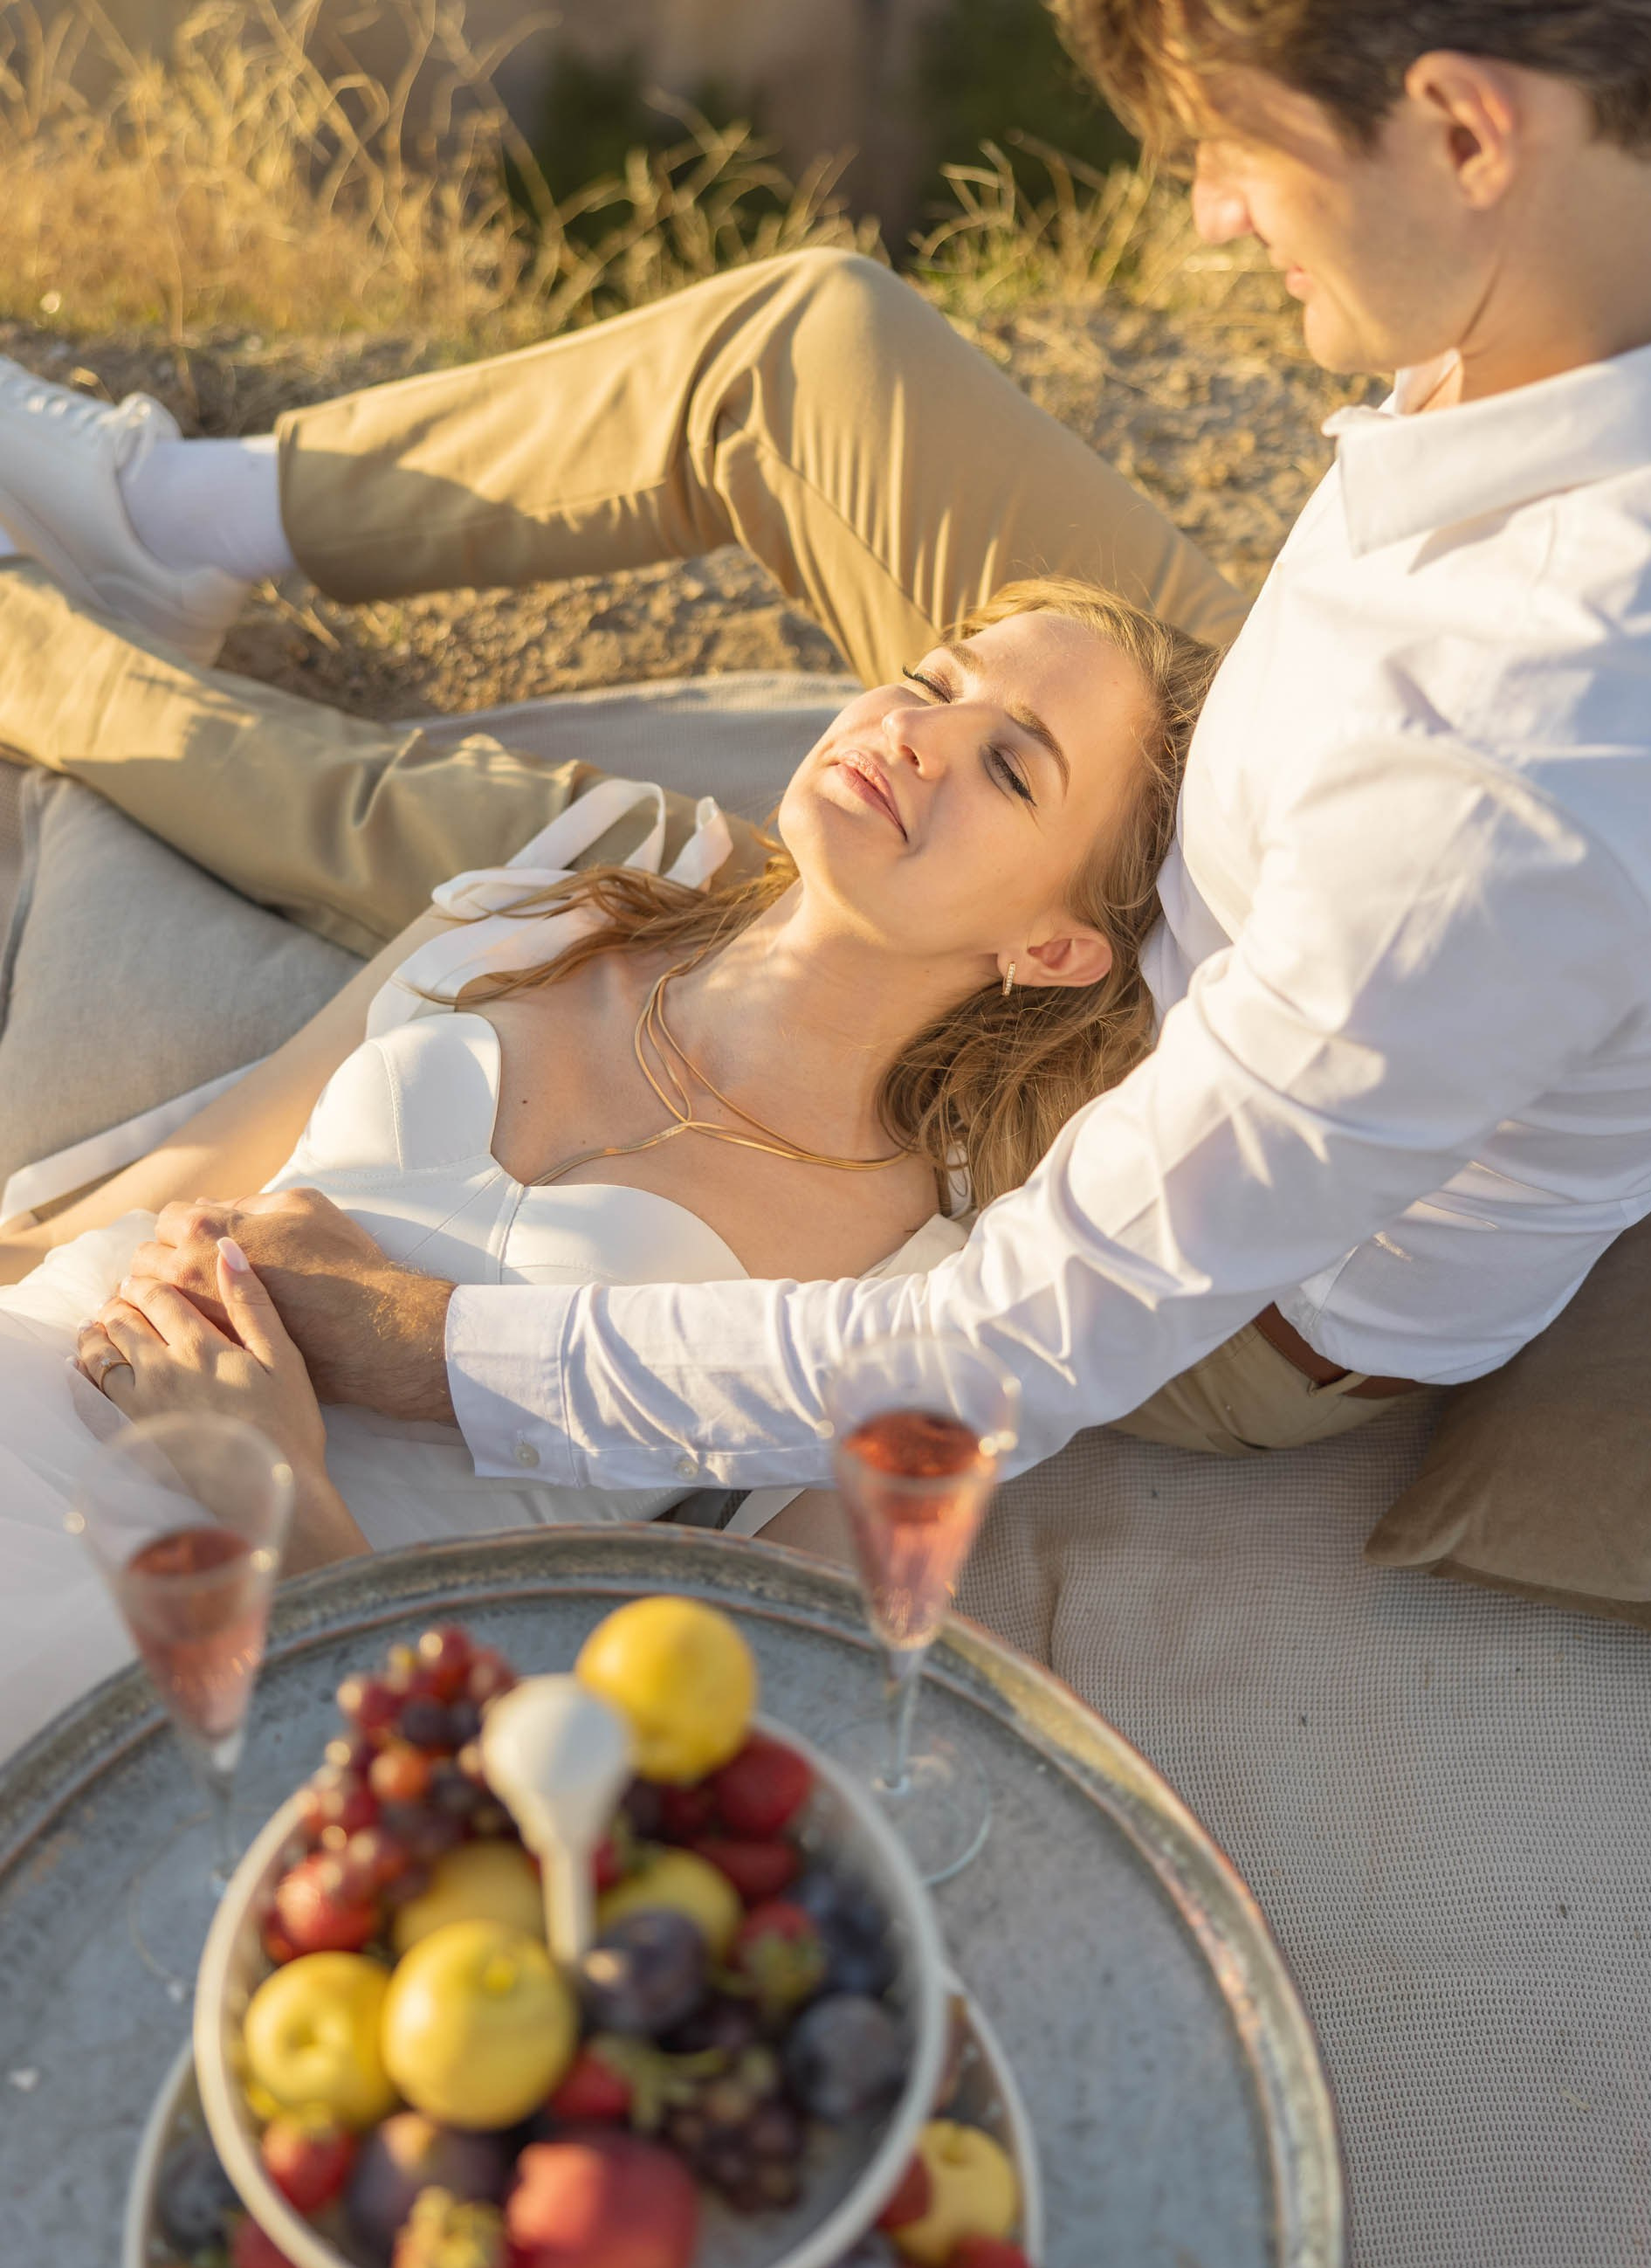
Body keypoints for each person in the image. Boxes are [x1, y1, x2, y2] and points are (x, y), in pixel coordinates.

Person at [10, 0, 1651, 1494]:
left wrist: (442, 1346)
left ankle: (34, 664)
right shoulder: (1635, 253)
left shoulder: (1512, 783)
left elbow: (997, 1353)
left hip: (1231, 1192)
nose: (1209, 213)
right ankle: (173, 520)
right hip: (1282, 816)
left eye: (1238, 140)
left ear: (1461, 128)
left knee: (575, 870)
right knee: (814, 355)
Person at [0, 578, 1202, 1753]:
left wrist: (278, 1488)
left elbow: (698, 1745)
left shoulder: (923, 1301)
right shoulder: (556, 914)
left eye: (1009, 766)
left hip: (241, 1641)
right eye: (929, 681)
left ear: (1048, 949)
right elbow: (183, 1170)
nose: (919, 734)